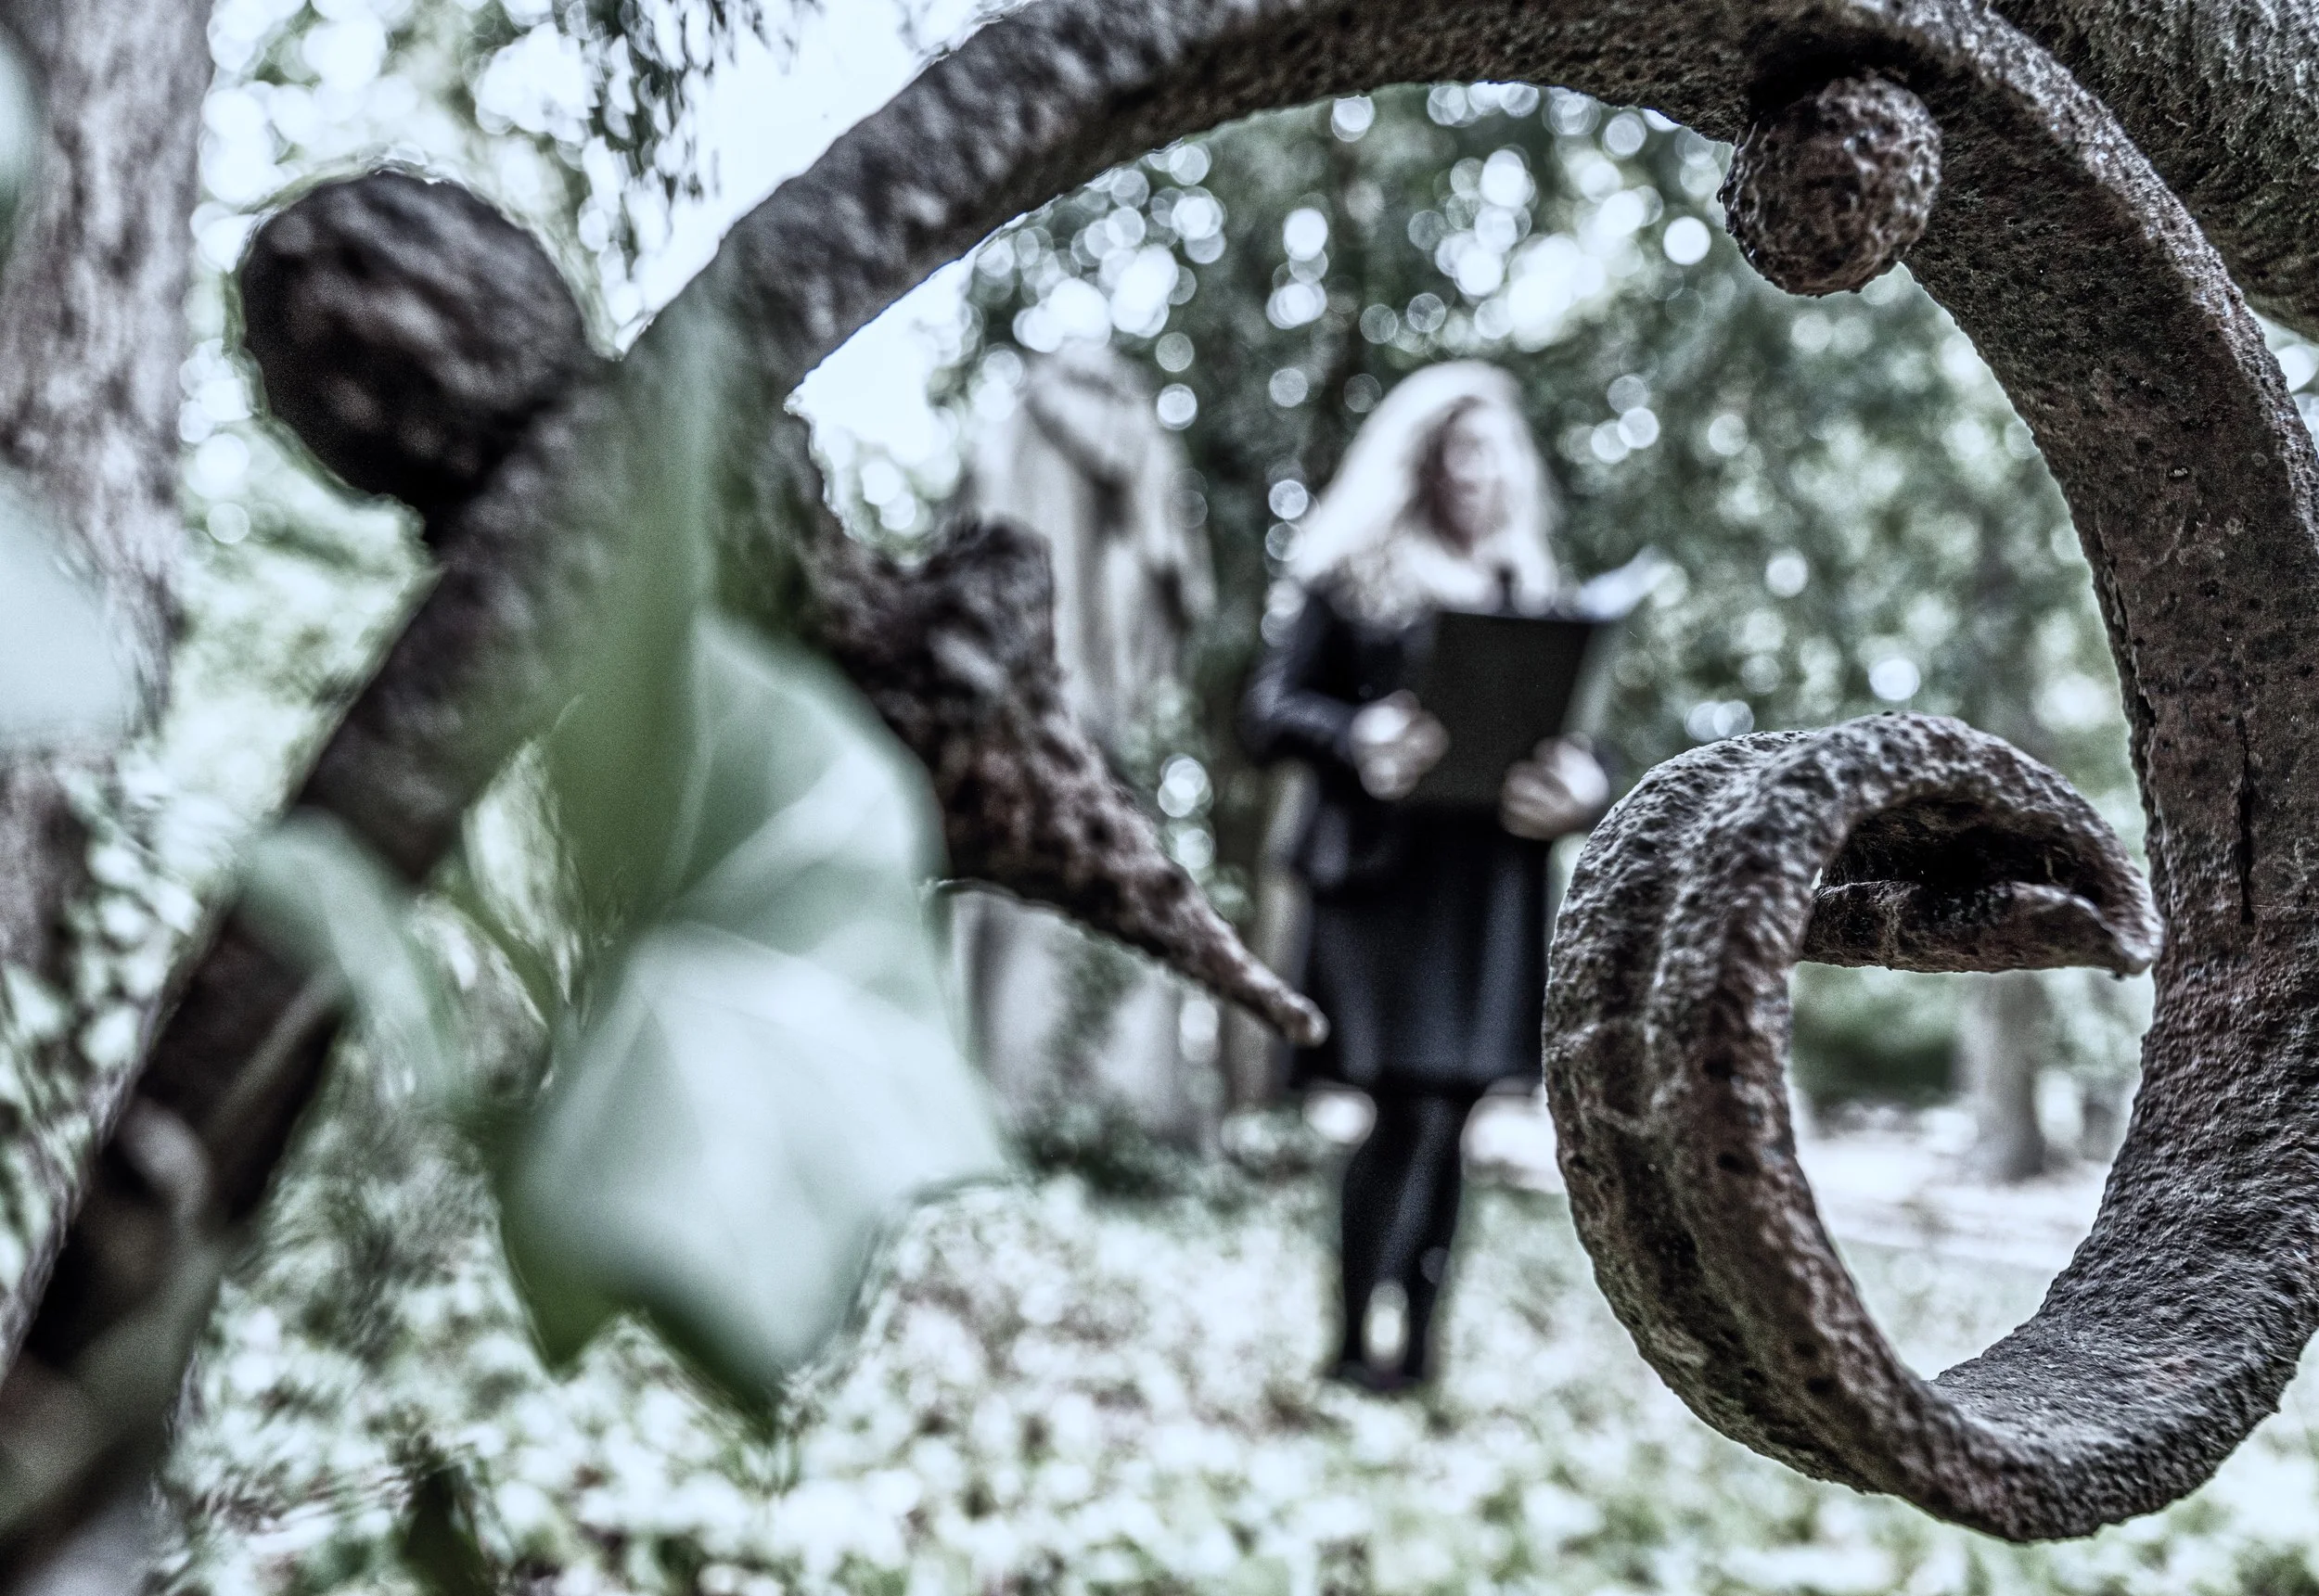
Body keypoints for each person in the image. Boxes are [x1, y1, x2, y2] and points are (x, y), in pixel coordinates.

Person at [1239, 362, 1610, 1390]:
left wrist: (1582, 783)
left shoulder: (1527, 588)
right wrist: (1357, 733)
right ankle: (1356, 1342)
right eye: (1456, 450)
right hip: (1378, 878)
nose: (1476, 472)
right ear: (1418, 461)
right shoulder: (1349, 575)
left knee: (1453, 1114)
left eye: (1492, 451)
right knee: (1402, 1107)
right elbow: (1266, 710)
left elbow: (1586, 738)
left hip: (1485, 883)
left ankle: (1421, 1351)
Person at [950, 340, 1222, 1147]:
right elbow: (1176, 576)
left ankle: (1006, 1103)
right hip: (1099, 709)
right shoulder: (1140, 437)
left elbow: (963, 551)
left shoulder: (1009, 430)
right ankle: (1116, 1112)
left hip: (1028, 700)